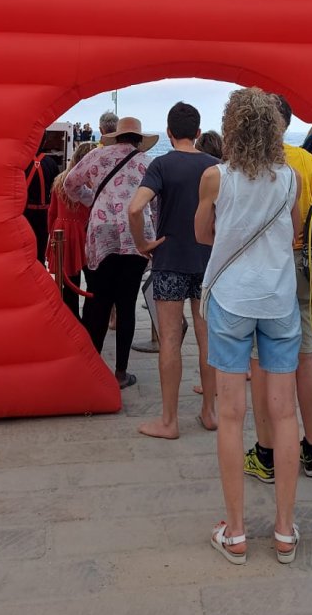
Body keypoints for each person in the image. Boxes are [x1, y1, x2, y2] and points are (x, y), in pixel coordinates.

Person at [196, 87, 303, 566]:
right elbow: (296, 234)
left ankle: (236, 532)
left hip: (231, 299)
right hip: (278, 299)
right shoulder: (290, 179)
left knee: (232, 415)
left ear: (232, 126)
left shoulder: (215, 177)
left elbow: (203, 234)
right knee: (283, 416)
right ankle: (284, 531)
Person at [244, 95, 312, 486]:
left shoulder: (246, 165)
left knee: (263, 362)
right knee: (305, 357)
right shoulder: (306, 161)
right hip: (301, 266)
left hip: (266, 269)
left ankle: (267, 452)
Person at [129, 102, 219, 438]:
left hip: (169, 259)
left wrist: (143, 244)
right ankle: (209, 412)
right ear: (198, 132)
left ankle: (169, 420)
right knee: (206, 336)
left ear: (169, 132)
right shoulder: (216, 166)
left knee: (169, 339)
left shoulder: (161, 164)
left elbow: (135, 208)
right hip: (207, 260)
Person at [64, 116, 158, 389]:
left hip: (101, 234)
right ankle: (120, 372)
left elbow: (70, 183)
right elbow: (155, 200)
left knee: (99, 301)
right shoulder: (145, 163)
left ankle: (92, 370)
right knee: (126, 304)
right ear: (139, 140)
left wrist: (92, 199)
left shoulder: (97, 156)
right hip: (135, 235)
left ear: (115, 136)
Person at [46, 140, 97, 318]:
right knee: (94, 282)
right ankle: (91, 320)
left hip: (62, 232)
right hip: (85, 232)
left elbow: (51, 212)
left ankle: (72, 319)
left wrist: (51, 235)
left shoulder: (60, 181)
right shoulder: (93, 185)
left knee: (68, 285)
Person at [23, 134, 61, 262]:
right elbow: (55, 189)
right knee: (40, 252)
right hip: (44, 214)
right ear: (44, 142)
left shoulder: (22, 162)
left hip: (25, 214)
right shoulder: (51, 163)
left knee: (25, 250)